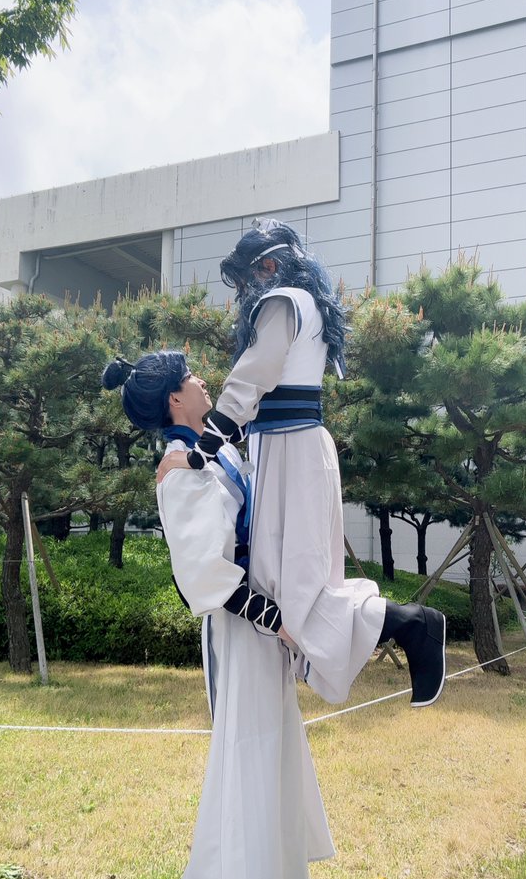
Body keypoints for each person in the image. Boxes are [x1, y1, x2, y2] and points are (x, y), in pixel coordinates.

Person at [102, 351, 334, 879]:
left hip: (259, 625)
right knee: (243, 765)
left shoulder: (212, 447)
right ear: (175, 400)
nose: (202, 379)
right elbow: (203, 574)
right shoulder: (177, 470)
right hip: (238, 629)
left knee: (271, 753)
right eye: (190, 377)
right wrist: (274, 618)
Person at [157, 220, 446, 708]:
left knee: (296, 594)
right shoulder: (307, 305)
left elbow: (249, 382)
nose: (246, 289)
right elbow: (270, 394)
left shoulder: (282, 302)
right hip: (293, 448)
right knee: (299, 589)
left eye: (248, 276)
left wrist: (197, 454)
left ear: (270, 264)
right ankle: (404, 623)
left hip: (291, 452)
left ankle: (411, 623)